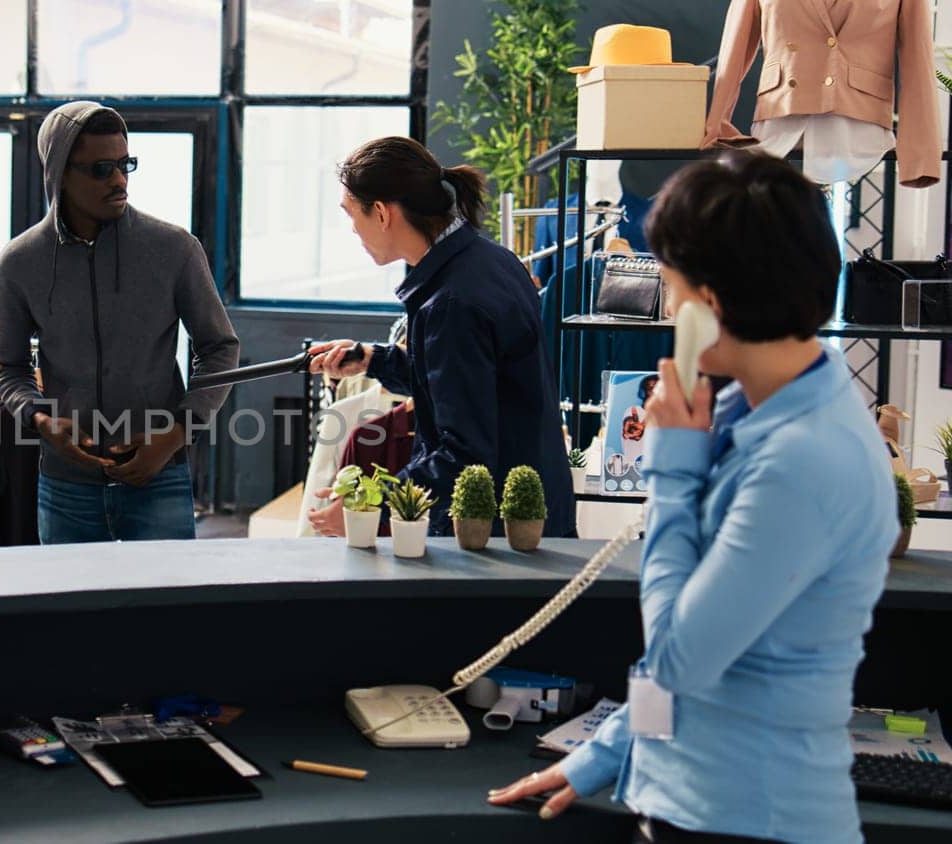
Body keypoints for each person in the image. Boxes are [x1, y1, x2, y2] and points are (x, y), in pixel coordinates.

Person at [487, 151, 896, 843]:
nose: (668, 308)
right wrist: (609, 754)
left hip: (752, 822)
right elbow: (682, 675)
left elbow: (679, 653)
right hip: (692, 804)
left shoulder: (803, 459)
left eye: (672, 287)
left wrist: (671, 469)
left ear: (710, 304)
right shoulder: (747, 417)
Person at [0, 102, 240, 545]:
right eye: (101, 169)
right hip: (65, 487)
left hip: (160, 478)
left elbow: (220, 348)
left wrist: (177, 434)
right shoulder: (19, 262)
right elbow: (9, 368)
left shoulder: (175, 248)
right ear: (59, 174)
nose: (119, 180)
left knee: (164, 610)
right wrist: (41, 420)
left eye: (126, 165)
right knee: (70, 612)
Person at [307, 137, 574, 538]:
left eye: (351, 215)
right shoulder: (490, 260)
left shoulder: (451, 302)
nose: (352, 230)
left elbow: (464, 453)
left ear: (380, 212)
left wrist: (368, 500)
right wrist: (372, 359)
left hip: (494, 534)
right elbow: (466, 384)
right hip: (530, 515)